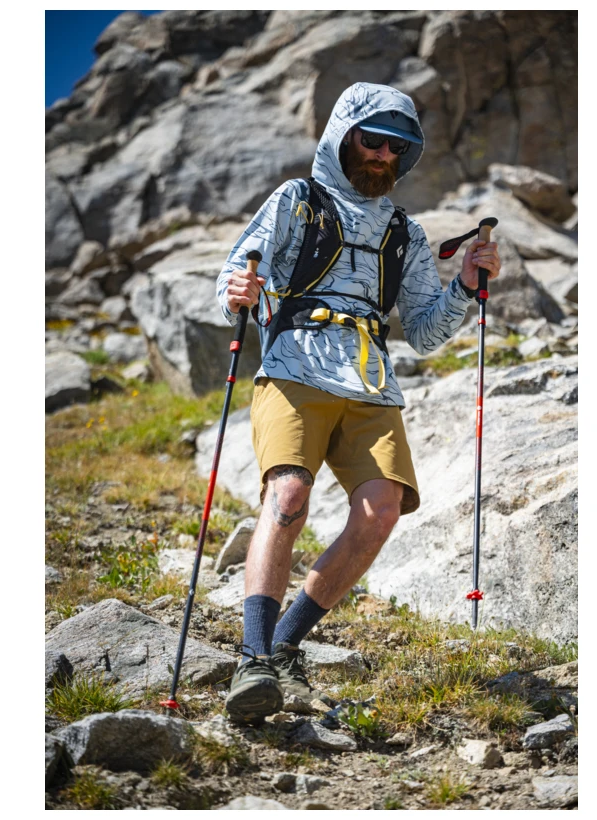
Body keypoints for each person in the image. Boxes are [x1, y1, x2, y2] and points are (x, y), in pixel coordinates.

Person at [215, 82, 500, 723]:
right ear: (344, 136)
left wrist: (464, 284)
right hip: (293, 366)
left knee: (381, 511)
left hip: (371, 382)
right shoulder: (297, 200)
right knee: (288, 496)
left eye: (398, 148)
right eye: (373, 140)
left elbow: (424, 331)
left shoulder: (406, 231)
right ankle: (252, 659)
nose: (383, 156)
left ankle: (282, 647)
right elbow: (237, 272)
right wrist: (236, 290)